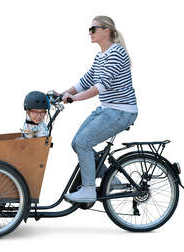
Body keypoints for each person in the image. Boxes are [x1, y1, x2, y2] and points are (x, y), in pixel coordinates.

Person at [54, 16, 138, 203]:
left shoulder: (116, 53)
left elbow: (100, 86)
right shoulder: (101, 55)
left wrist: (74, 99)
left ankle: (88, 189)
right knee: (77, 142)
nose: (89, 33)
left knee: (84, 142)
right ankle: (112, 180)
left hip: (121, 111)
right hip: (107, 109)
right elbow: (85, 81)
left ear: (106, 31)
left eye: (93, 29)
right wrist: (62, 93)